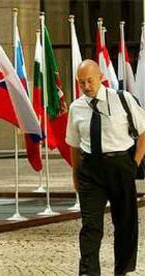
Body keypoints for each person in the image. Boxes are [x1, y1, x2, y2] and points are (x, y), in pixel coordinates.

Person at [66, 59, 145, 276]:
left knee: (125, 224)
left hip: (121, 166)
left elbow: (143, 132)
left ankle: (122, 271)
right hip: (90, 171)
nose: (86, 86)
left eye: (90, 81)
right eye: (81, 83)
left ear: (100, 77)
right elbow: (73, 145)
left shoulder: (122, 99)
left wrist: (134, 163)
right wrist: (75, 175)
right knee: (91, 227)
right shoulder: (76, 108)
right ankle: (88, 273)